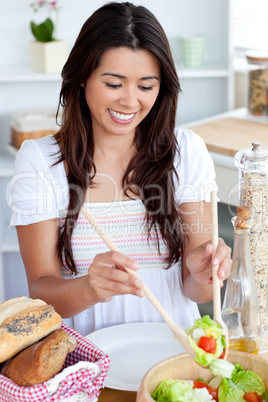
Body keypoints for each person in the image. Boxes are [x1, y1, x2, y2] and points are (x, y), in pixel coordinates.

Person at [8, 2, 232, 336]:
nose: (130, 101)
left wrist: (203, 274)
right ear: (82, 77)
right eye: (114, 84)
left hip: (171, 353)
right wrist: (89, 287)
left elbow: (195, 292)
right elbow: (41, 292)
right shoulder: (41, 162)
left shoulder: (187, 152)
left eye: (146, 86)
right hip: (85, 359)